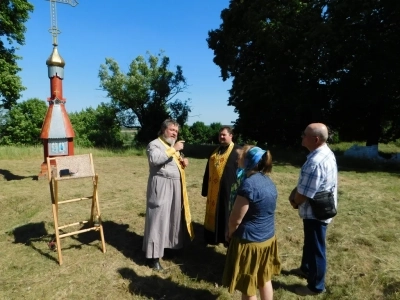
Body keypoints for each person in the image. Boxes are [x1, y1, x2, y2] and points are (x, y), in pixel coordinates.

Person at [223, 145, 281, 300]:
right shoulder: (267, 180)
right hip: (267, 238)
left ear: (248, 161)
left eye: (240, 156)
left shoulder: (248, 184)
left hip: (250, 243)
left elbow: (236, 219)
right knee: (264, 278)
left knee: (247, 285)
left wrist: (230, 233)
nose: (237, 158)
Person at [289, 123, 338, 296]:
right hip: (321, 208)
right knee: (311, 241)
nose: (302, 137)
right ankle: (306, 268)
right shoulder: (325, 153)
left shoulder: (316, 162)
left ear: (315, 139)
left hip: (315, 212)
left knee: (317, 247)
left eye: (305, 134)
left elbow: (304, 193)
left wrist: (295, 201)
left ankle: (316, 286)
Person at [142, 119, 194, 271]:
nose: (174, 133)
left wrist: (183, 161)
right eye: (172, 130)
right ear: (164, 129)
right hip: (161, 185)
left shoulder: (172, 146)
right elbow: (155, 160)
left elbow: (172, 161)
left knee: (173, 218)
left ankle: (170, 248)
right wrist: (174, 149)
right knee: (158, 219)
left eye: (176, 132)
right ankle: (153, 257)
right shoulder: (155, 144)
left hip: (175, 186)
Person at [201, 127, 241, 245]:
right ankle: (213, 237)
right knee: (214, 212)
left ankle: (226, 238)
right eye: (220, 135)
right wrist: (205, 189)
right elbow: (207, 170)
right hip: (213, 189)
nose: (221, 137)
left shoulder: (238, 151)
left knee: (225, 213)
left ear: (231, 136)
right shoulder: (215, 150)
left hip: (228, 190)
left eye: (224, 135)